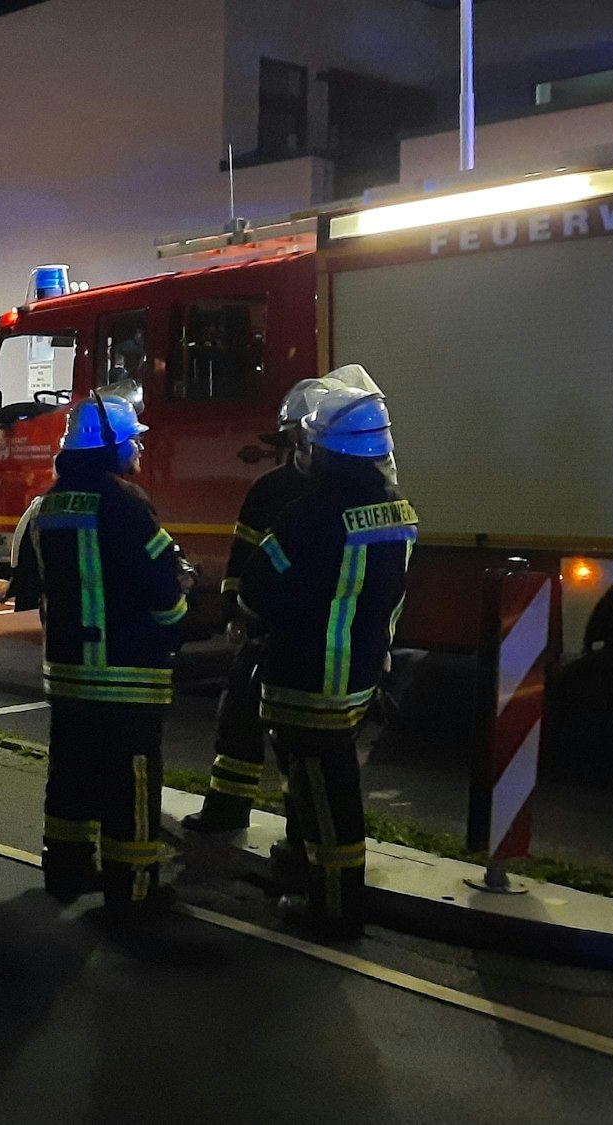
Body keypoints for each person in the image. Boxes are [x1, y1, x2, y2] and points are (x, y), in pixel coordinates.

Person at [240, 383, 414, 939]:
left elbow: (257, 589)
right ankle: (304, 875)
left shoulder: (307, 516)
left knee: (324, 800)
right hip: (360, 679)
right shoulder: (397, 513)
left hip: (305, 678)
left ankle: (333, 910)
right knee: (326, 789)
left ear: (323, 450)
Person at [14, 392, 189, 914]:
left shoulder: (48, 504)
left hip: (67, 672)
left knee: (70, 775)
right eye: (131, 438)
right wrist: (179, 627)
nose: (137, 447)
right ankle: (133, 888)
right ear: (108, 445)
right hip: (125, 673)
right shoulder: (125, 503)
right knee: (131, 783)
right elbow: (162, 585)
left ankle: (65, 870)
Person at [181, 376, 338, 834]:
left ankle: (291, 828)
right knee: (240, 720)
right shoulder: (275, 490)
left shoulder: (319, 497)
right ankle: (231, 810)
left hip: (295, 631)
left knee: (289, 740)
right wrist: (234, 612)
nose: (293, 451)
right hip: (271, 625)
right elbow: (242, 558)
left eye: (297, 440)